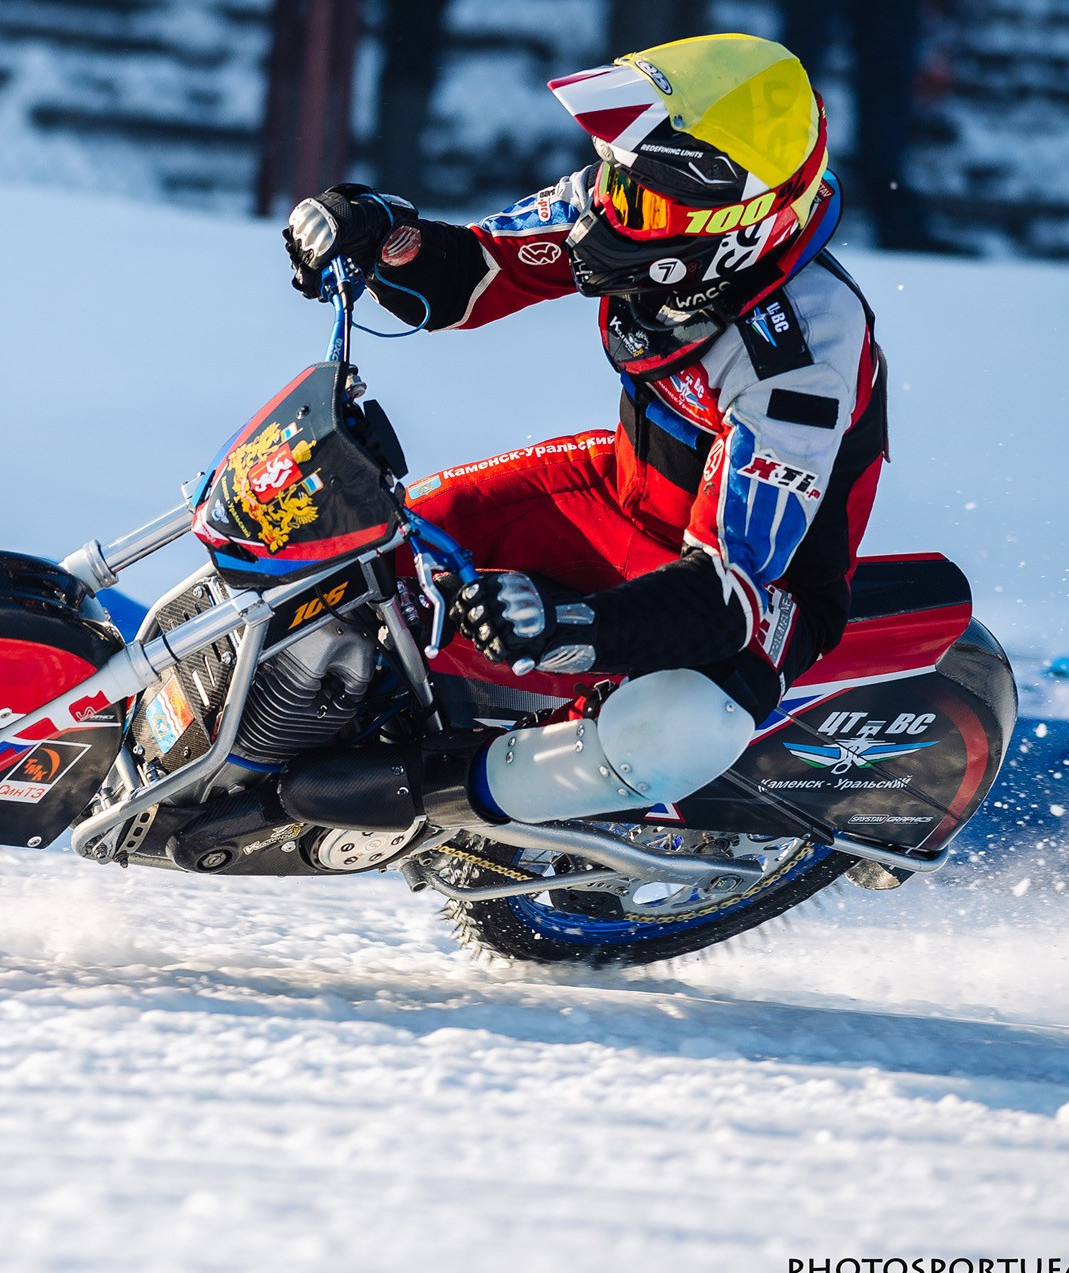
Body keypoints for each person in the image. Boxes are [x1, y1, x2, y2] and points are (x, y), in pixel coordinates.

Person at [274, 33, 889, 832]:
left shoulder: (804, 350)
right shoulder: (629, 211)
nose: (607, 204)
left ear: (736, 225)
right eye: (617, 172)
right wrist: (384, 237)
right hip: (622, 492)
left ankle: (458, 812)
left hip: (758, 594)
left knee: (668, 728)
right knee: (371, 553)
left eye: (644, 195)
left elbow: (730, 588)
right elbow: (480, 269)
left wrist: (570, 625)